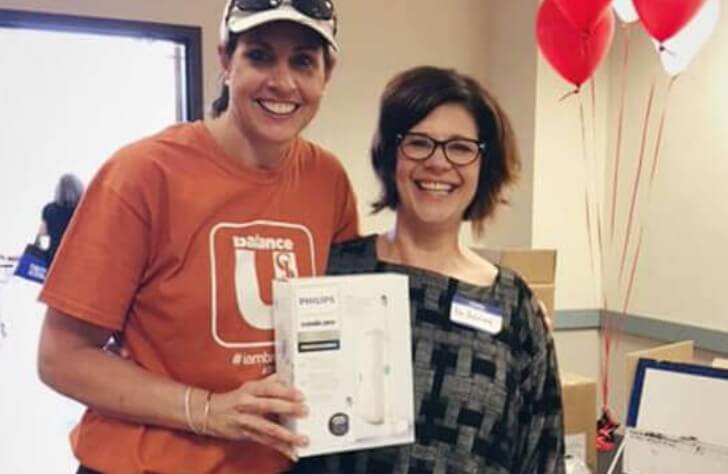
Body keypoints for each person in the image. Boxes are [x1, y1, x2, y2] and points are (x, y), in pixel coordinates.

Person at [36, 1, 359, 473]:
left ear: (326, 76)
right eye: (261, 55)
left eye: (304, 61)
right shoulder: (143, 175)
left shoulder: (327, 180)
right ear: (226, 60)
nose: (283, 82)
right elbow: (61, 358)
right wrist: (207, 411)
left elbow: (341, 324)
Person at [297, 66, 566, 473]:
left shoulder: (514, 307)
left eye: (460, 148)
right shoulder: (333, 273)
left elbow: (541, 454)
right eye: (419, 143)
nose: (439, 163)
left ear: (483, 164)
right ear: (390, 154)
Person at [37, 173, 84, 264]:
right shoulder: (84, 210)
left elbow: (43, 232)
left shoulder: (49, 209)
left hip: (55, 259)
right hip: (78, 257)